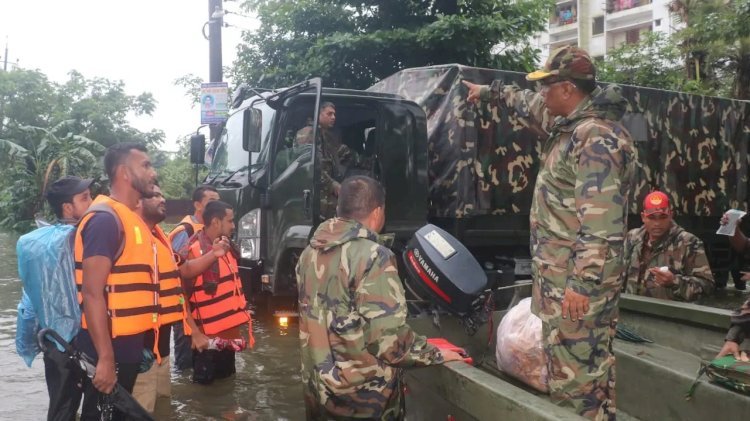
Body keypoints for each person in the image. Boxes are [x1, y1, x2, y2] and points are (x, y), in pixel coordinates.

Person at [464, 46, 635, 420]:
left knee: (578, 381)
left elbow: (601, 225)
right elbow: (525, 101)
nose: (542, 94)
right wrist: (486, 92)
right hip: (560, 280)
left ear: (568, 89)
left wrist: (581, 284)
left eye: (548, 87)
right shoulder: (569, 124)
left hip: (577, 287)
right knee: (576, 371)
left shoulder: (595, 139)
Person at [296, 176, 463, 420]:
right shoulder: (374, 256)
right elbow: (388, 342)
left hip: (318, 394)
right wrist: (435, 354)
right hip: (363, 401)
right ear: (377, 212)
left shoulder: (309, 254)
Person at [73, 142, 158, 420]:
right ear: (123, 172)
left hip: (126, 349)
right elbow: (92, 293)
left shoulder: (130, 218)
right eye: (145, 165)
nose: (152, 172)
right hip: (108, 351)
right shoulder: (105, 220)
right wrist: (106, 360)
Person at [132, 184, 229, 412]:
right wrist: (192, 328)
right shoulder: (178, 233)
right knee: (143, 404)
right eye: (155, 195)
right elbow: (182, 284)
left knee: (163, 404)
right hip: (144, 342)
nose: (163, 199)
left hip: (162, 339)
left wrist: (214, 254)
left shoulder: (160, 238)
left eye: (163, 194)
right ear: (137, 202)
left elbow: (181, 272)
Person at [16, 176, 92, 421]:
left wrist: (27, 343)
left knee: (60, 409)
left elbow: (28, 302)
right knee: (96, 407)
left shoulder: (34, 242)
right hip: (87, 339)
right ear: (68, 208)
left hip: (54, 343)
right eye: (85, 198)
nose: (93, 202)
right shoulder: (83, 237)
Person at [180, 200, 252, 385]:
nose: (234, 225)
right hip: (207, 343)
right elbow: (179, 297)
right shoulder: (193, 252)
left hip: (229, 340)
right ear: (216, 222)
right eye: (230, 221)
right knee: (206, 400)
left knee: (227, 392)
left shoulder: (227, 248)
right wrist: (195, 333)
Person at [622, 190, 715, 301]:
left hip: (668, 314)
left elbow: (707, 286)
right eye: (652, 218)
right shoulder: (632, 237)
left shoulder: (688, 242)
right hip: (632, 311)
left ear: (671, 215)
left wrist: (674, 281)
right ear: (643, 217)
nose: (657, 223)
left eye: (662, 217)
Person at [168, 185, 220, 370]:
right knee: (186, 365)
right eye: (211, 202)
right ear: (197, 205)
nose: (216, 206)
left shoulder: (213, 230)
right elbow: (176, 276)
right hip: (186, 308)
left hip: (206, 309)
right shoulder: (185, 232)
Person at [295, 101, 372, 217]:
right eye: (329, 114)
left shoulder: (325, 135)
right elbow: (310, 166)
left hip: (324, 189)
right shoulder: (308, 134)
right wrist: (333, 185)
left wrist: (369, 162)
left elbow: (343, 154)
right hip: (316, 192)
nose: (333, 117)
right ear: (318, 114)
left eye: (334, 114)